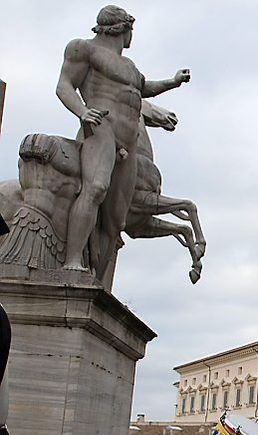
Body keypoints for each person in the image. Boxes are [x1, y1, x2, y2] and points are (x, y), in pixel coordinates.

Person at [56, 5, 190, 275]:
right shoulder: (83, 48)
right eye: (132, 31)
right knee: (95, 189)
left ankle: (96, 279)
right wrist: (83, 111)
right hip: (102, 129)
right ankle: (72, 261)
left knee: (117, 220)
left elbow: (144, 88)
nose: (132, 37)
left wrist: (173, 82)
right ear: (124, 29)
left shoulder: (129, 66)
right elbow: (63, 86)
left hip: (129, 142)